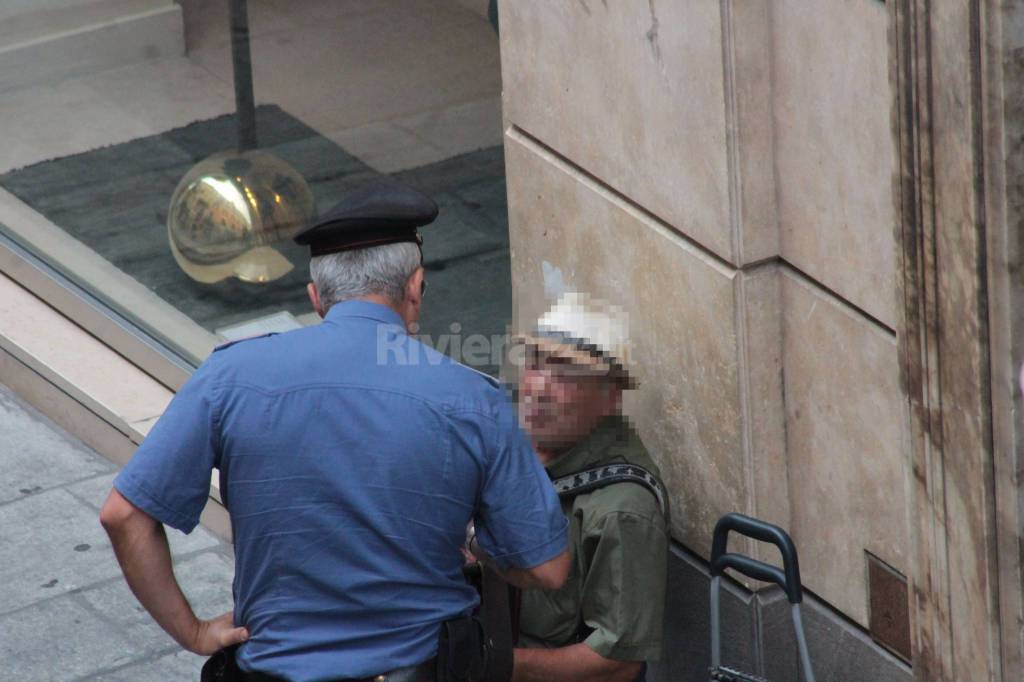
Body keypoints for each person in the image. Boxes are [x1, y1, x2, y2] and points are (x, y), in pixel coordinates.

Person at [99, 181, 570, 682]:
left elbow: (123, 515)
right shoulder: (475, 400)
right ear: (415, 286)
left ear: (316, 297)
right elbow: (548, 568)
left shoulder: (229, 377)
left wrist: (192, 632)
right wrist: (473, 540)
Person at [501, 292, 669, 682]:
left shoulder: (623, 509)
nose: (537, 388)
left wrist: (501, 665)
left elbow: (617, 664)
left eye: (564, 374)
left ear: (609, 397)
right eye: (534, 363)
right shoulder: (509, 447)